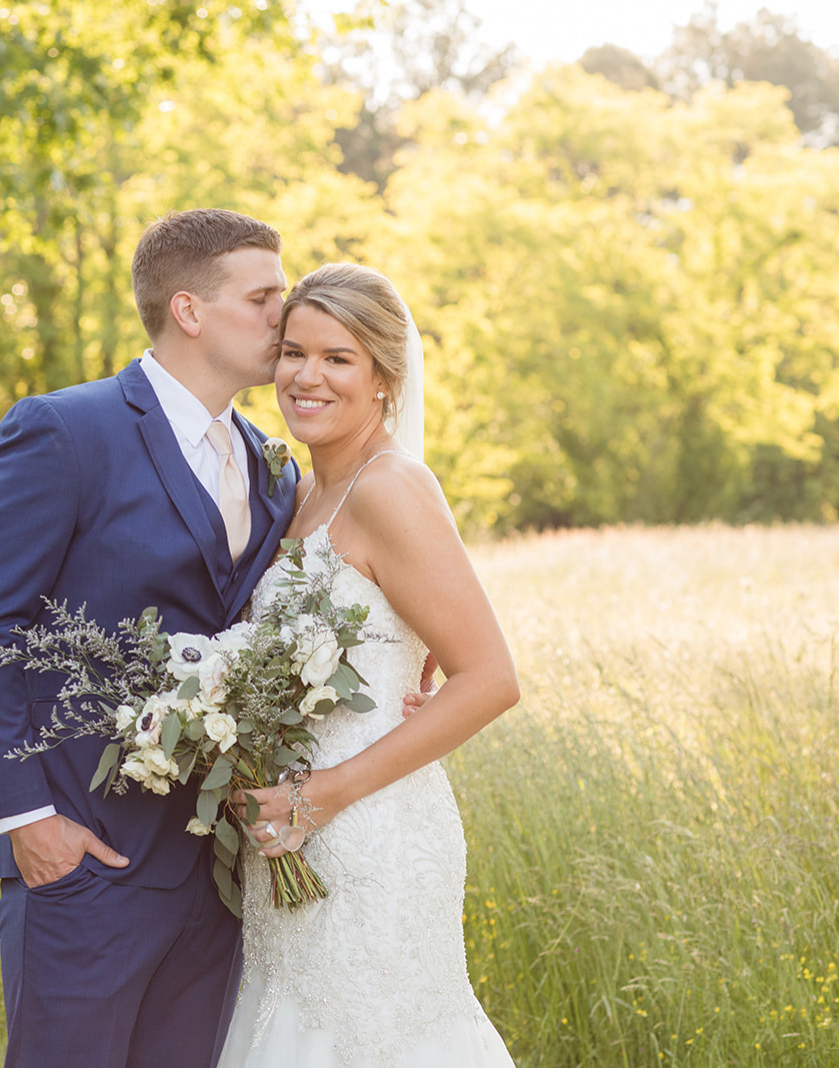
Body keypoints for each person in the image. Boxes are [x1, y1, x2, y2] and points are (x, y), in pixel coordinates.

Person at [0, 209, 300, 1068]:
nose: (285, 315)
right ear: (189, 311)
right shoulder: (64, 431)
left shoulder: (269, 461)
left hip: (216, 865)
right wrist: (26, 818)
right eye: (264, 297)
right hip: (82, 850)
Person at [218, 262, 520, 1067]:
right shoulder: (302, 493)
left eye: (337, 358)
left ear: (385, 377)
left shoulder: (390, 488)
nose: (305, 376)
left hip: (369, 831)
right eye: (292, 352)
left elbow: (491, 677)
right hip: (287, 831)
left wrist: (321, 796)